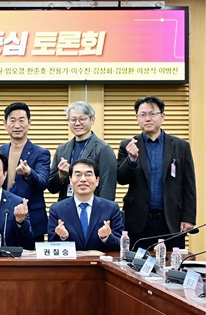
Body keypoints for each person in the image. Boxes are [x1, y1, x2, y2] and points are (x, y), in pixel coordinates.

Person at [117, 96, 196, 249]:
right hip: (137, 220)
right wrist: (131, 160)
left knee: (172, 262)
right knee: (135, 262)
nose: (148, 118)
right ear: (137, 118)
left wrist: (189, 217)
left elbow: (189, 185)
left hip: (171, 220)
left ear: (162, 116)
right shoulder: (128, 145)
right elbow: (121, 179)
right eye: (143, 114)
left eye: (152, 114)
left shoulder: (181, 146)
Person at [0, 102, 50, 244]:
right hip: (3, 216)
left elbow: (43, 182)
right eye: (12, 120)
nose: (17, 125)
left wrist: (28, 173)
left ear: (29, 123)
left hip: (32, 218)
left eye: (21, 120)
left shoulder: (41, 153)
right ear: (5, 124)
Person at [48, 158, 124, 251]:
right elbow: (51, 246)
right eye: (78, 175)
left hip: (101, 260)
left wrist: (107, 237)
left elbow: (121, 246)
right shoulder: (57, 209)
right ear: (70, 180)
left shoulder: (111, 208)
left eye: (88, 175)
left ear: (97, 181)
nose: (83, 179)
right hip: (71, 260)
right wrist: (62, 237)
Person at [48, 101, 116, 202]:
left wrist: (102, 210)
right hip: (66, 207)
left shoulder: (103, 149)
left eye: (82, 119)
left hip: (92, 207)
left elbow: (107, 189)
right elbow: (51, 188)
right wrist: (61, 175)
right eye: (73, 119)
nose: (77, 123)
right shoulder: (62, 149)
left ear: (92, 120)